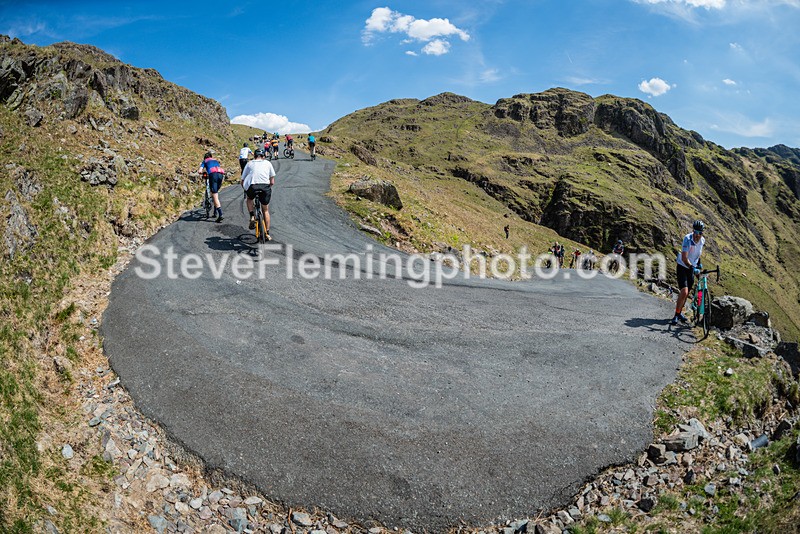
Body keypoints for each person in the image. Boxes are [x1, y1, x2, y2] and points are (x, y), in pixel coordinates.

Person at [671, 220, 706, 326]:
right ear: (693, 231)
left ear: (702, 233)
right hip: (683, 266)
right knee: (684, 291)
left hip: (692, 267)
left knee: (688, 292)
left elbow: (697, 254)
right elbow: (684, 257)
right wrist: (692, 267)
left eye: (699, 233)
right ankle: (676, 315)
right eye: (695, 232)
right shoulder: (687, 239)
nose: (697, 235)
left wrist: (699, 264)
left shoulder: (702, 241)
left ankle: (680, 312)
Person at [241, 148, 276, 240]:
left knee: (249, 198)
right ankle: (267, 233)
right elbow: (272, 181)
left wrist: (245, 189)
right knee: (265, 210)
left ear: (254, 156)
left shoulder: (249, 164)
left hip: (253, 186)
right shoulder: (268, 163)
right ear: (263, 156)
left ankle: (252, 215)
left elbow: (243, 180)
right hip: (265, 187)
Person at [198, 151, 225, 222]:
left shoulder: (205, 161)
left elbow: (200, 170)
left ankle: (220, 214)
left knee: (214, 194)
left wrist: (200, 172)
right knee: (215, 193)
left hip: (213, 174)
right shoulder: (215, 160)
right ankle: (215, 212)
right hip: (221, 174)